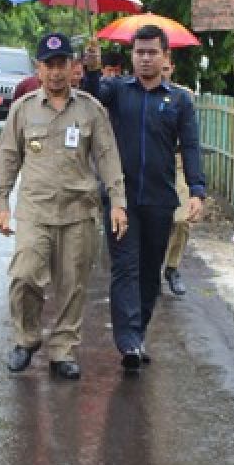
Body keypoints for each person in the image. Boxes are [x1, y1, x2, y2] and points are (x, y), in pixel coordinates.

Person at [0, 32, 127, 379]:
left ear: (73, 67)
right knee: (24, 277)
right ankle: (26, 339)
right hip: (35, 211)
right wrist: (1, 202)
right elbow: (8, 158)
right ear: (38, 69)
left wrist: (118, 202)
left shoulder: (90, 109)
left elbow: (107, 156)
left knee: (73, 285)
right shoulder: (22, 110)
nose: (55, 72)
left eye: (61, 65)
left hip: (78, 211)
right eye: (48, 65)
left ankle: (63, 350)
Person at [83, 25, 206, 369]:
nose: (146, 58)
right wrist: (92, 68)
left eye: (153, 52)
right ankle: (128, 342)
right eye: (139, 52)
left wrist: (197, 189)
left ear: (166, 57)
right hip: (120, 199)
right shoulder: (118, 90)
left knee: (150, 271)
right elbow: (92, 96)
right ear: (132, 56)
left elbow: (191, 146)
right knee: (125, 267)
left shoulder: (179, 100)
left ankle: (138, 332)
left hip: (159, 197)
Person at [160, 57, 194, 296]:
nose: (161, 74)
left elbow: (191, 139)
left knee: (181, 219)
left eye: (165, 69)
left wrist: (198, 186)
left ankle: (172, 267)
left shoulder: (183, 96)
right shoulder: (137, 93)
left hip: (178, 163)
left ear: (172, 68)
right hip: (151, 165)